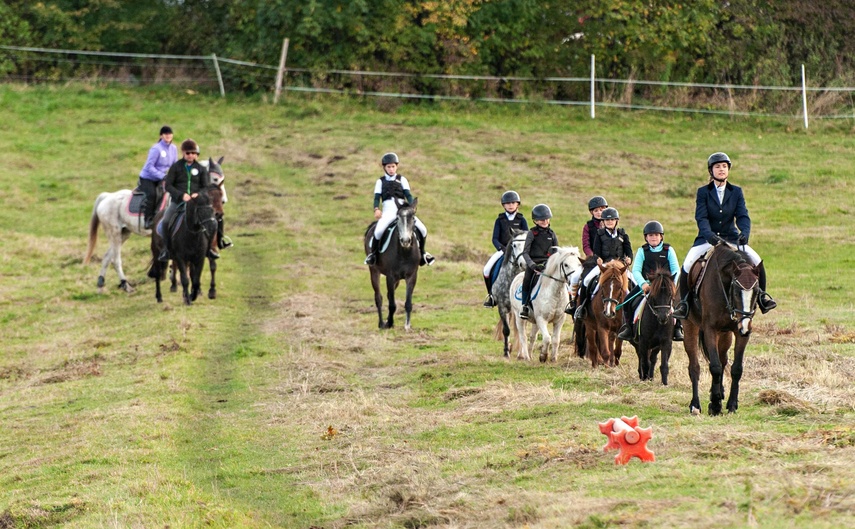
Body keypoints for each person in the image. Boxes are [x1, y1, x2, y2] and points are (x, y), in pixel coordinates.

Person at [672, 152, 777, 319]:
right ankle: (684, 304)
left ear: (728, 169)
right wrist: (710, 236)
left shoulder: (736, 192)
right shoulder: (703, 192)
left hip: (731, 238)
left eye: (724, 166)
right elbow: (701, 218)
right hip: (707, 240)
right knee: (687, 264)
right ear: (711, 170)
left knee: (757, 261)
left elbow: (742, 216)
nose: (721, 169)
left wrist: (745, 233)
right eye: (717, 166)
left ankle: (762, 298)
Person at [617, 221, 684, 342]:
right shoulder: (642, 251)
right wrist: (643, 284)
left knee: (678, 302)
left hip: (666, 286)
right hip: (647, 285)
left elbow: (675, 270)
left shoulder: (669, 250)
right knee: (627, 302)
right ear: (646, 237)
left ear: (661, 236)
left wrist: (672, 285)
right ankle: (628, 328)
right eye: (650, 235)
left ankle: (678, 327)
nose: (653, 238)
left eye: (656, 235)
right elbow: (636, 270)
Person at [364, 152, 434, 266]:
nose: (391, 169)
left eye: (393, 166)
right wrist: (376, 209)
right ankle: (373, 255)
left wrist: (412, 205)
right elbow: (377, 198)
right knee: (378, 231)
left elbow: (408, 195)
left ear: (396, 166)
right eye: (388, 167)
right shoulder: (380, 181)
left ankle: (423, 253)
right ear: (384, 167)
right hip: (388, 210)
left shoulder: (402, 179)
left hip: (402, 210)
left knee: (423, 229)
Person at [574, 207, 632, 322]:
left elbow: (628, 251)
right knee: (586, 281)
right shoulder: (599, 234)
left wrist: (629, 259)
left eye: (612, 220)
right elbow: (596, 251)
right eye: (607, 220)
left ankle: (632, 311)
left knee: (634, 284)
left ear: (616, 221)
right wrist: (598, 259)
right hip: (605, 266)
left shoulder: (623, 235)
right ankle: (581, 307)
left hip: (620, 267)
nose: (610, 222)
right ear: (603, 222)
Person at [159, 139, 212, 262]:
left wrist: (198, 194)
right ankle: (167, 250)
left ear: (197, 154)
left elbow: (206, 187)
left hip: (197, 204)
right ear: (183, 153)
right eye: (188, 153)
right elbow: (168, 186)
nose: (190, 155)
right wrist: (181, 195)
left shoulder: (201, 169)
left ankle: (211, 248)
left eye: (193, 153)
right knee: (165, 221)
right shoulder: (175, 167)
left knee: (212, 221)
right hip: (178, 202)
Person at [482, 190, 529, 307]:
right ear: (503, 205)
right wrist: (503, 249)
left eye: (513, 203)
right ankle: (491, 295)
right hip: (502, 250)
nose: (511, 205)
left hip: (519, 252)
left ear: (517, 204)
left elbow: (526, 237)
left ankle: (529, 296)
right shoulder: (500, 220)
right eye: (508, 203)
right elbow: (495, 238)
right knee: (486, 270)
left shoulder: (521, 220)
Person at [565, 195, 608, 314]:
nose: (599, 212)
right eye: (596, 210)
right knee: (576, 277)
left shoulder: (611, 224)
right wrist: (593, 257)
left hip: (609, 261)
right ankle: (575, 304)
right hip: (593, 261)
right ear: (591, 212)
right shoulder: (588, 227)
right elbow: (586, 245)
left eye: (602, 210)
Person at [519, 204, 558, 320]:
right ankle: (525, 306)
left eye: (546, 219)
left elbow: (556, 251)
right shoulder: (531, 233)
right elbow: (525, 252)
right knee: (527, 280)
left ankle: (568, 302)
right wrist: (532, 265)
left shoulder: (552, 234)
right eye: (541, 220)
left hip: (548, 264)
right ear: (535, 221)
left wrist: (551, 263)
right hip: (534, 264)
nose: (545, 221)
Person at [138, 125, 178, 229]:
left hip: (162, 178)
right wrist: (162, 175)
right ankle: (148, 220)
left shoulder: (173, 148)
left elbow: (175, 165)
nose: (168, 136)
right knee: (152, 194)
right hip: (148, 178)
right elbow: (149, 166)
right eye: (165, 134)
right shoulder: (156, 149)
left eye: (170, 134)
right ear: (161, 136)